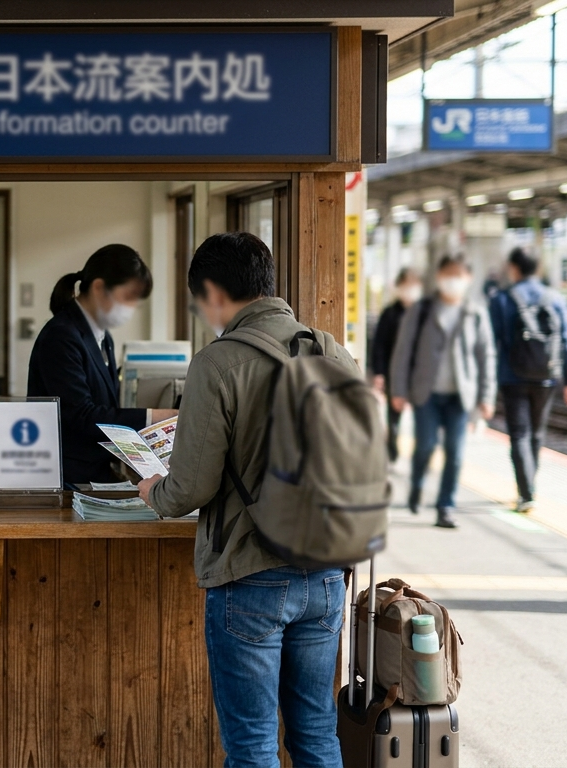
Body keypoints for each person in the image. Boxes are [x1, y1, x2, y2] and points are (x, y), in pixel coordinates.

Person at [138, 232, 354, 768]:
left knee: (254, 744)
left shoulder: (219, 363)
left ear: (213, 293)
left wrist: (151, 491)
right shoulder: (334, 353)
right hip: (326, 573)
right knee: (318, 736)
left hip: (251, 574)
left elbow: (189, 488)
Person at [26, 244, 172, 485]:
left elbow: (104, 405)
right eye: (128, 297)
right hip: (65, 475)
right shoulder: (62, 335)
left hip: (94, 470)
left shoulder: (103, 337)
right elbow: (81, 414)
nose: (131, 308)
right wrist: (156, 417)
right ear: (98, 288)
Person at [389, 255, 496, 529]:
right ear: (438, 277)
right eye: (448, 275)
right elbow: (403, 352)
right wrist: (398, 390)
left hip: (461, 395)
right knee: (425, 445)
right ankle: (417, 485)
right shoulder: (422, 309)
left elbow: (487, 356)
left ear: (468, 279)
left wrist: (486, 396)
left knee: (456, 452)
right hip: (427, 393)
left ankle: (445, 506)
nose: (453, 281)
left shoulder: (475, 312)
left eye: (459, 275)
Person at [488, 248, 567, 514]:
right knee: (537, 433)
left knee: (519, 433)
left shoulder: (502, 299)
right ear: (537, 269)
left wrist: (486, 382)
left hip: (512, 376)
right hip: (546, 377)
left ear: (514, 268)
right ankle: (530, 487)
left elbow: (491, 343)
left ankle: (526, 492)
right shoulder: (554, 298)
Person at [369, 268, 424, 463]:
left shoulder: (425, 314)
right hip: (395, 374)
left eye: (413, 287)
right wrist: (379, 372)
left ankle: (420, 455)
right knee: (394, 418)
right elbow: (379, 346)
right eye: (406, 287)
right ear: (399, 288)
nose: (410, 291)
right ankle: (392, 454)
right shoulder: (390, 314)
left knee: (423, 418)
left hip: (420, 376)